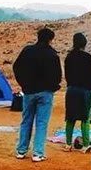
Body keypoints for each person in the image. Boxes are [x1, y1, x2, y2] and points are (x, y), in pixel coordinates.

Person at [13, 27, 62, 162]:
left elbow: (16, 67)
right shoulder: (52, 54)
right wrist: (53, 87)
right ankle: (37, 153)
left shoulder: (27, 51)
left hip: (29, 92)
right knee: (41, 123)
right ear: (50, 39)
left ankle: (21, 151)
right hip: (46, 93)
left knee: (26, 121)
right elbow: (58, 75)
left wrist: (23, 83)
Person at [63, 33, 91, 153]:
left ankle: (67, 144)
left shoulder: (68, 57)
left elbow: (67, 75)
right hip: (85, 90)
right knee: (85, 119)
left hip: (71, 90)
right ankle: (86, 145)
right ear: (84, 43)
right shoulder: (87, 57)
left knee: (70, 118)